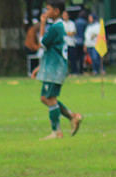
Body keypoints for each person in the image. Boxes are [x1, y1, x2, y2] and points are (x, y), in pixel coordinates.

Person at [33, 0, 82, 140]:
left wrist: (42, 23)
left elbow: (42, 43)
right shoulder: (58, 26)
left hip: (55, 68)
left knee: (50, 98)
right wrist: (40, 67)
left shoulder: (56, 27)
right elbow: (52, 50)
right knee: (45, 98)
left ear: (56, 11)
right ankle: (73, 116)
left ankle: (56, 132)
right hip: (51, 66)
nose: (45, 12)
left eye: (47, 9)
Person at [62, 10, 78, 74]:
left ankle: (74, 71)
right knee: (64, 59)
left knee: (72, 59)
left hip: (71, 43)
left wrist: (65, 33)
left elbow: (72, 33)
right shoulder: (61, 24)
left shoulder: (71, 23)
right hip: (63, 44)